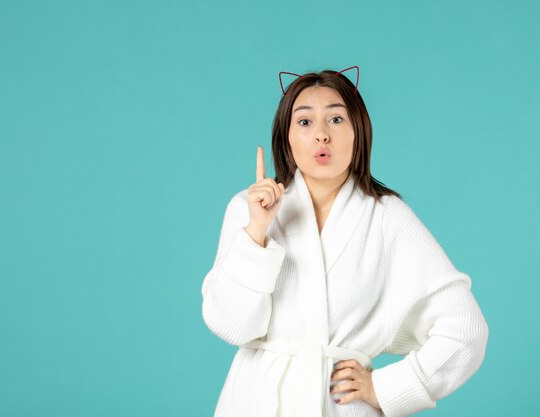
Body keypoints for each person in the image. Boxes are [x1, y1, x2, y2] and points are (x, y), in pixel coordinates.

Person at [201, 66, 489, 417]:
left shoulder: (387, 217)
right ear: (286, 136)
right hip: (254, 402)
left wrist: (389, 389)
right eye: (305, 122)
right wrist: (257, 231)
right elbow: (232, 326)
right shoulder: (249, 209)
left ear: (358, 131)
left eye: (336, 120)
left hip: (340, 406)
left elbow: (466, 329)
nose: (322, 135)